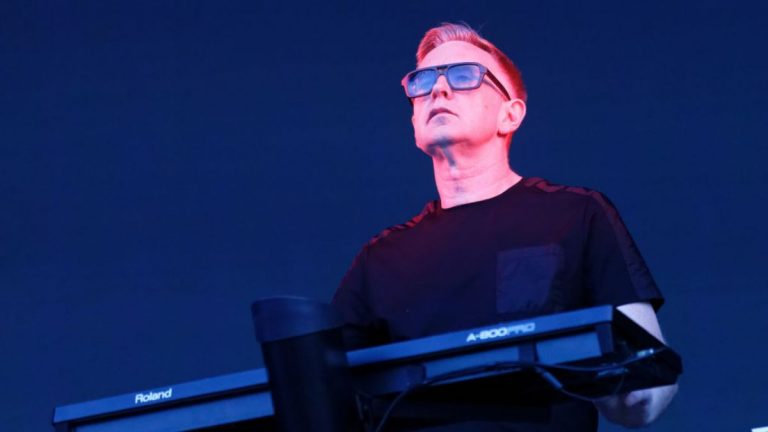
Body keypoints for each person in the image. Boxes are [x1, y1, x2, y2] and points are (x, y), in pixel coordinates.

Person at [332, 22, 678, 431]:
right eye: (422, 82)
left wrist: (617, 376)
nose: (438, 90)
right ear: (413, 122)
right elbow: (321, 397)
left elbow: (644, 390)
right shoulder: (379, 259)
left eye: (463, 76)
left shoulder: (575, 215)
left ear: (510, 115)